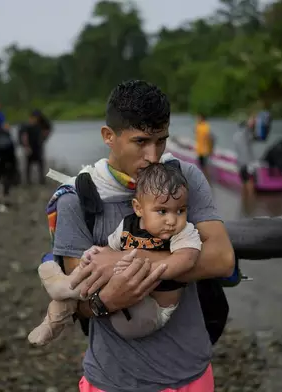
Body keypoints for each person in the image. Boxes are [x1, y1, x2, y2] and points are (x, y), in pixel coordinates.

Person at [46, 80, 235, 391]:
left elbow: (222, 259)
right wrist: (105, 301)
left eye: (161, 141)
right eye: (141, 141)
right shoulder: (75, 200)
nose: (153, 156)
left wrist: (120, 261)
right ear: (109, 136)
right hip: (114, 380)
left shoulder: (182, 180)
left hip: (192, 373)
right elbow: (76, 297)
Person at [29, 162, 202, 345]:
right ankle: (53, 318)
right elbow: (110, 251)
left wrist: (142, 268)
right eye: (162, 211)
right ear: (138, 208)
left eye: (181, 210)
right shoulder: (128, 225)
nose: (172, 220)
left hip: (152, 311)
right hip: (129, 298)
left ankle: (66, 286)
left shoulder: (183, 232)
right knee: (94, 274)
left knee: (103, 281)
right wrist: (95, 253)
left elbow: (186, 260)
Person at [0, 122, 17, 212]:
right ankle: (4, 201)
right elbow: (12, 152)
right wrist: (14, 164)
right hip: (5, 163)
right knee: (5, 182)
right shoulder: (7, 138)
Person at [18, 110, 47, 185]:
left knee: (40, 164)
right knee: (28, 165)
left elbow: (46, 129)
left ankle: (41, 180)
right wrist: (26, 147)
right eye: (34, 118)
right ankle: (28, 181)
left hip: (38, 147)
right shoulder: (26, 126)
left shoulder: (38, 125)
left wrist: (44, 138)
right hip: (30, 148)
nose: (35, 119)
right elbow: (24, 137)